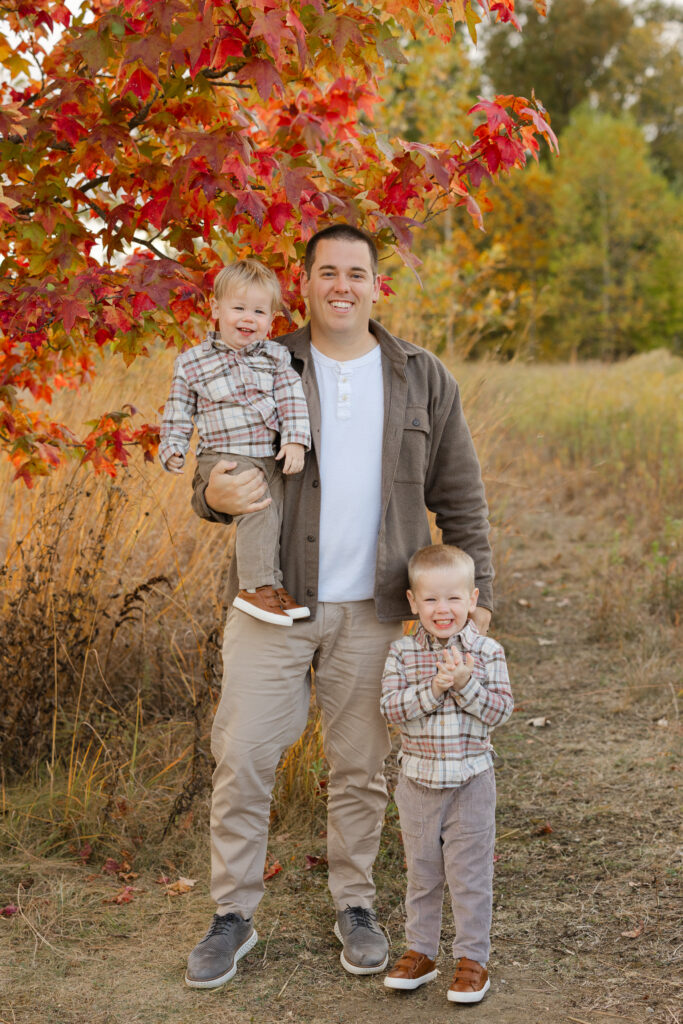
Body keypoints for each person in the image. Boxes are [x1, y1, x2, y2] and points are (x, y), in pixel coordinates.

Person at [184, 223, 495, 990]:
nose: (342, 286)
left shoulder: (421, 376)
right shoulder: (259, 359)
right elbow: (217, 470)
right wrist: (210, 494)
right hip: (274, 604)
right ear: (307, 280)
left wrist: (477, 591)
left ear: (375, 284)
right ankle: (232, 916)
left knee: (360, 768)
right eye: (328, 272)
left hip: (378, 610)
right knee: (245, 757)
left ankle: (354, 904)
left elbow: (459, 494)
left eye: (356, 272)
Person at [381, 543, 513, 1004]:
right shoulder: (401, 653)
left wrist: (465, 684)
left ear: (473, 600)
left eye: (454, 598)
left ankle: (473, 957)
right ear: (413, 602)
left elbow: (499, 712)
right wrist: (434, 688)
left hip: (472, 780)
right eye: (431, 599)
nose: (443, 609)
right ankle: (421, 952)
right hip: (417, 782)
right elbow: (393, 711)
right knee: (422, 872)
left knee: (469, 873)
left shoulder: (488, 651)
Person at [159, 259, 311, 626]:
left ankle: (271, 586)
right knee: (256, 509)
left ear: (272, 318)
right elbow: (179, 410)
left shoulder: (276, 357)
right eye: (238, 308)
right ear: (216, 308)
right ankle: (255, 587)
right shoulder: (193, 362)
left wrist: (294, 441)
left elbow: (292, 399)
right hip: (224, 456)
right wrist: (174, 445)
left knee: (272, 518)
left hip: (267, 457)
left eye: (258, 311)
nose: (248, 318)